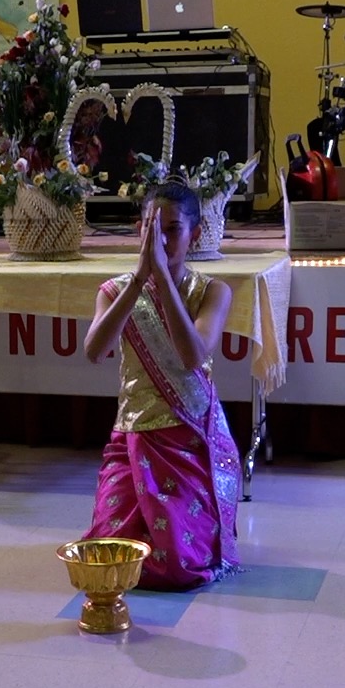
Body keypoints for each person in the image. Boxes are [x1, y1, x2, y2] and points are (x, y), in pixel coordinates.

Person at [80, 182, 240, 590]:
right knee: (108, 552)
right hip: (132, 438)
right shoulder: (115, 291)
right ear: (140, 231)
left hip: (187, 441)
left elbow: (192, 356)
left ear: (196, 234)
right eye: (154, 230)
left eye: (174, 229)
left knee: (179, 565)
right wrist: (139, 279)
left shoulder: (212, 292)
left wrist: (163, 280)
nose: (163, 240)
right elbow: (94, 351)